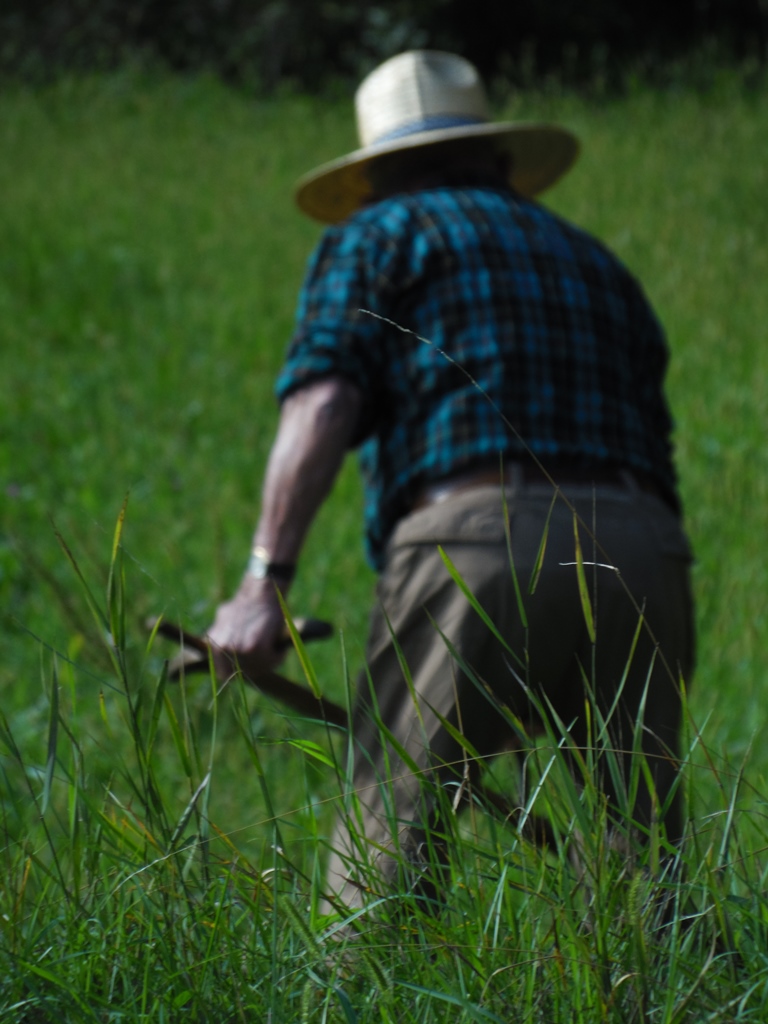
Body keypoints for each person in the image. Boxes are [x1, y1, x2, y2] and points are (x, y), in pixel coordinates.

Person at [206, 50, 695, 912]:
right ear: (497, 157)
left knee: (388, 850)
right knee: (643, 859)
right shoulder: (594, 259)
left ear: (374, 175)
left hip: (477, 545)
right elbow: (656, 433)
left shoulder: (378, 234)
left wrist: (261, 587)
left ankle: (365, 979)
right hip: (642, 550)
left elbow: (323, 400)